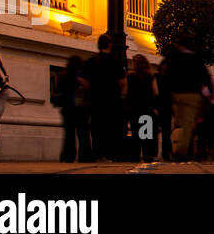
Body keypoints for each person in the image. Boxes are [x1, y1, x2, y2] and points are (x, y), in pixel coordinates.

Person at [164, 36, 211, 162]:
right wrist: (209, 93)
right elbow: (205, 77)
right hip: (192, 95)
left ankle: (179, 148)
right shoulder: (196, 59)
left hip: (177, 95)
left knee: (178, 123)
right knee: (188, 125)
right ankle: (180, 151)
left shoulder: (174, 58)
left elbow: (167, 76)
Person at [83, 33, 126, 161]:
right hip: (112, 100)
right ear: (110, 45)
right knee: (111, 128)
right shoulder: (116, 62)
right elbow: (122, 82)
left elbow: (84, 81)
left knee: (96, 128)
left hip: (96, 100)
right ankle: (110, 153)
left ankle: (98, 153)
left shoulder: (91, 62)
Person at [54, 54, 91, 163]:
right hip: (81, 108)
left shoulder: (64, 75)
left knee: (69, 135)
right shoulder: (82, 76)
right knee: (83, 134)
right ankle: (85, 156)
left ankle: (68, 156)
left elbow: (58, 91)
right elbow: (88, 88)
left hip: (68, 108)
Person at [124, 54, 158, 162]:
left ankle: (135, 155)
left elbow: (125, 92)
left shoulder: (130, 77)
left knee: (135, 133)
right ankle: (147, 155)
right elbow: (156, 92)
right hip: (147, 108)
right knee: (147, 134)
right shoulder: (150, 77)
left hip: (134, 108)